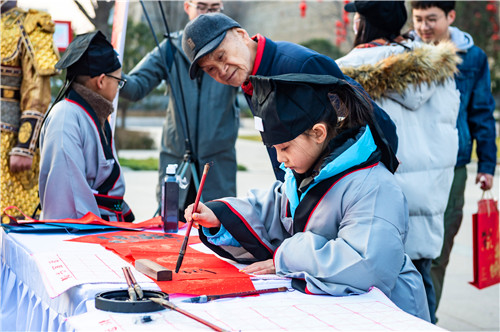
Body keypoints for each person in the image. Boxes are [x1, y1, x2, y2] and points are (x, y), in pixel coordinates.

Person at [184, 73, 430, 322]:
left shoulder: (374, 185)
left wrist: (286, 256)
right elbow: (272, 211)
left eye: (285, 148)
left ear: (319, 133)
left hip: (389, 315)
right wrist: (220, 217)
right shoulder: (307, 173)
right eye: (275, 150)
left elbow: (367, 266)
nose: (280, 159)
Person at [336, 1, 461, 324]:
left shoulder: (344, 77)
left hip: (376, 216)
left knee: (376, 314)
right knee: (422, 301)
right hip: (429, 207)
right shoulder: (439, 68)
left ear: (363, 23)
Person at [181, 12, 399, 181]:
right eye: (210, 69)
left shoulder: (300, 66)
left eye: (221, 56)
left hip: (342, 196)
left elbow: (362, 128)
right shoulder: (251, 79)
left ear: (241, 35)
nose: (221, 69)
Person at [409, 1, 497, 316]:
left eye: (431, 19)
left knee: (439, 248)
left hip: (453, 164)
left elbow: (482, 111)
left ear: (450, 17)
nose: (423, 27)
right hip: (410, 163)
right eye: (418, 19)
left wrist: (487, 164)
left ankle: (427, 316)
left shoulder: (471, 58)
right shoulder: (404, 52)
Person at [120, 0, 239, 216]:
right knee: (169, 230)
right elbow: (135, 88)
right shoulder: (170, 49)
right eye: (202, 7)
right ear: (187, 7)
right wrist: (112, 72)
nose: (207, 16)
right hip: (176, 162)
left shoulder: (234, 49)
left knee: (220, 237)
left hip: (217, 167)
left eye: (214, 9)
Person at [39, 31, 134, 222]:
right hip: (82, 232)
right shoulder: (66, 118)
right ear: (101, 81)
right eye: (118, 81)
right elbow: (67, 202)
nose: (118, 88)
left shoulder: (93, 113)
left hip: (104, 225)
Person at [0, 0, 59, 222]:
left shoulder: (30, 25)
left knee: (10, 219)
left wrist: (25, 147)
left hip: (8, 142)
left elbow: (38, 92)